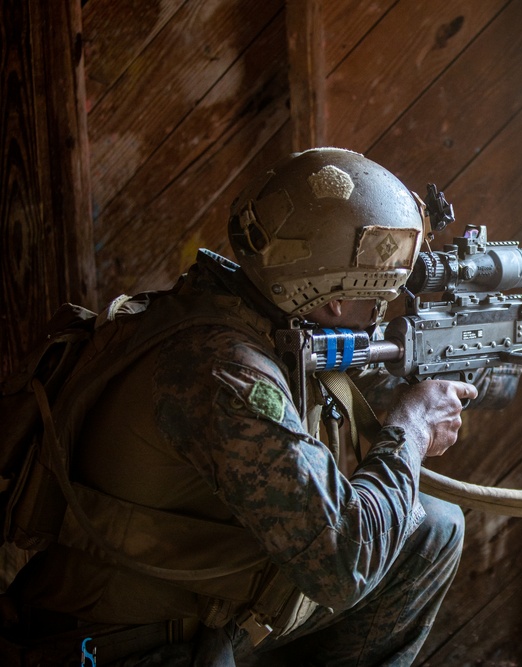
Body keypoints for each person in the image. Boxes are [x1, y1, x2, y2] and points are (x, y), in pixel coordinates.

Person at [4, 148, 477, 666]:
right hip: (122, 646)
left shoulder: (229, 311)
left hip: (191, 612)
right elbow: (345, 562)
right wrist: (412, 425)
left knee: (430, 527)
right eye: (379, 297)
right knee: (392, 538)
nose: (380, 314)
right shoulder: (226, 372)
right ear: (335, 301)